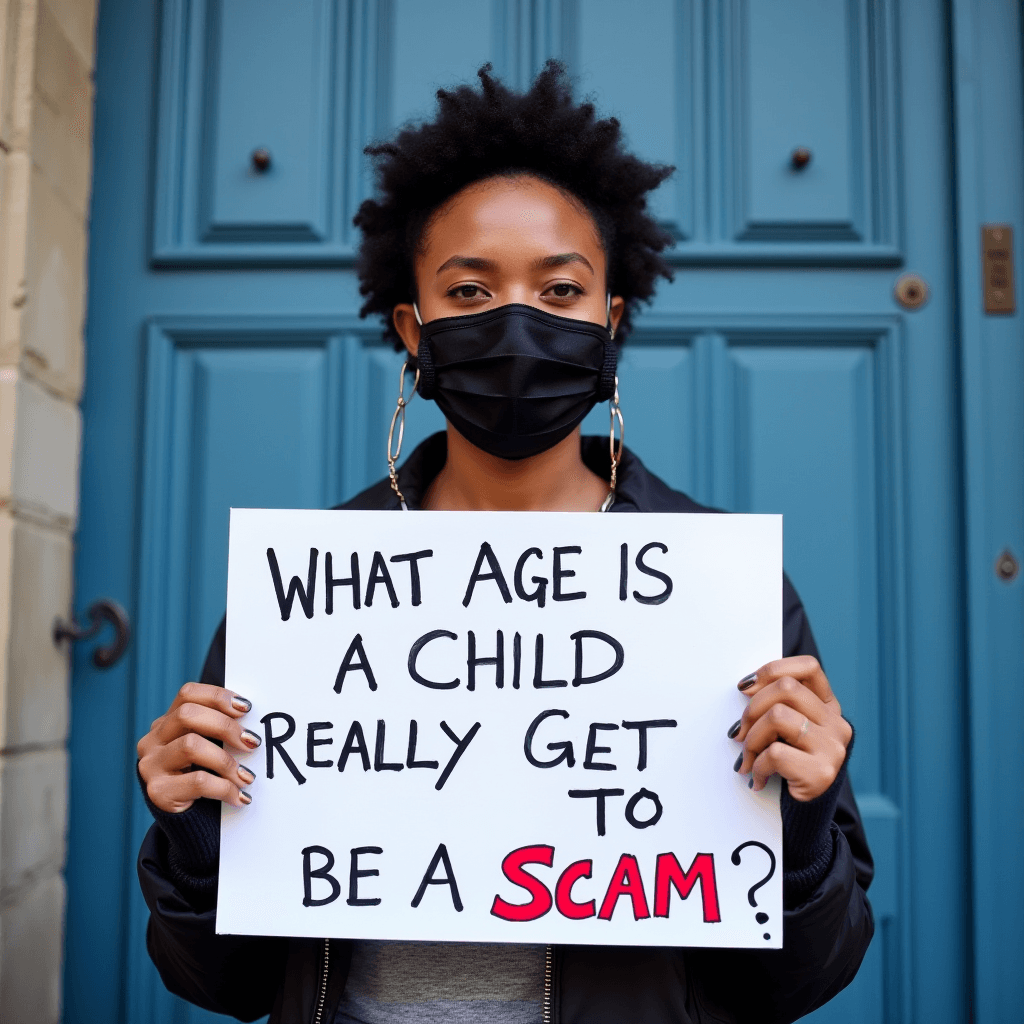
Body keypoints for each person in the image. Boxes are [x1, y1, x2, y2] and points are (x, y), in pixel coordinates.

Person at [136, 63, 872, 1024]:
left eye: (560, 290)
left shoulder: (720, 586)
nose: (517, 322)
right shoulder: (312, 592)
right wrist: (192, 837)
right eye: (470, 292)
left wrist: (806, 829)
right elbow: (219, 984)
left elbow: (803, 981)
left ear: (611, 323)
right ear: (413, 328)